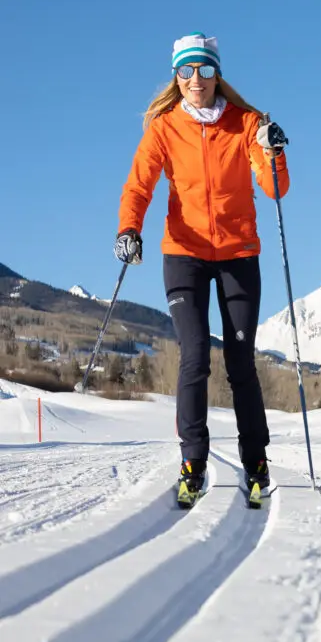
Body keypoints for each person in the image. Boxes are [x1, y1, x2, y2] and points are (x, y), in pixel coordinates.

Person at [116, 32, 289, 507]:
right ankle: (193, 461)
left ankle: (256, 463)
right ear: (177, 76)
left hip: (237, 253)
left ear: (218, 73)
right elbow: (138, 186)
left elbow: (275, 190)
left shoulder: (247, 122)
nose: (197, 80)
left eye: (206, 70)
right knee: (193, 355)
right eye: (187, 71)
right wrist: (129, 228)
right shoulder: (163, 128)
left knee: (240, 361)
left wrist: (273, 150)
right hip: (184, 252)